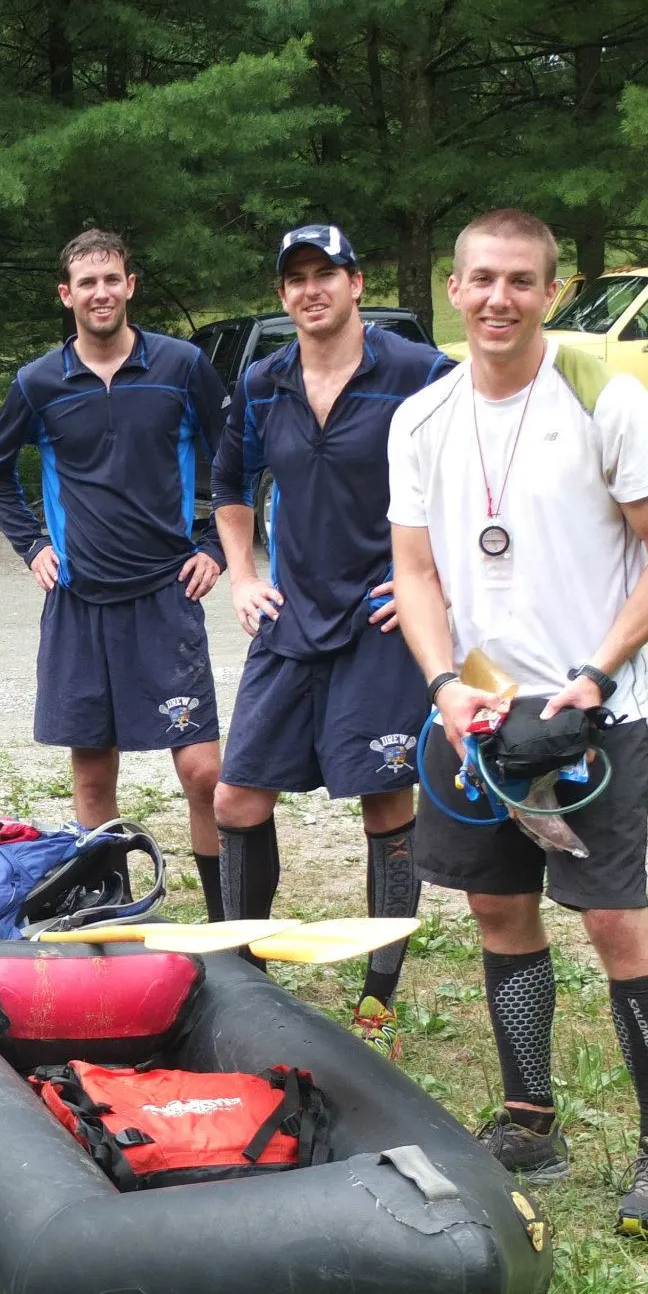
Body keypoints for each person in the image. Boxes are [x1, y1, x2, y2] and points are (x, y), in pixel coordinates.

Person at [388, 207, 648, 1235]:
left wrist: (595, 674)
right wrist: (442, 683)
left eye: (520, 281)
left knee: (611, 919)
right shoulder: (421, 419)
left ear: (552, 293)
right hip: (476, 714)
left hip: (586, 714)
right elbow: (416, 570)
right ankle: (530, 1120)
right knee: (494, 911)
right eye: (480, 279)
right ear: (451, 283)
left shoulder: (604, 398)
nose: (496, 300)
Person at [210, 225, 452, 1056]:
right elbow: (230, 484)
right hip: (291, 616)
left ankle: (378, 998)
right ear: (283, 295)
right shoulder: (263, 381)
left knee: (385, 803)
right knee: (236, 796)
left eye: (326, 275)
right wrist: (243, 573)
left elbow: (478, 471)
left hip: (379, 622)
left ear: (356, 283)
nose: (311, 290)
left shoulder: (418, 374)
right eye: (296, 279)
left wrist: (434, 577)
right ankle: (244, 977)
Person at [0, 229, 229, 913]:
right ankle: (110, 920)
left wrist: (215, 543)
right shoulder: (38, 383)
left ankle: (226, 923)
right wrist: (31, 545)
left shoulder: (180, 367)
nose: (101, 293)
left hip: (165, 595)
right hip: (80, 601)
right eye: (87, 283)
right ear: (67, 295)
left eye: (111, 279)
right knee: (92, 780)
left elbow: (235, 452)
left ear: (130, 285)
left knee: (205, 773)